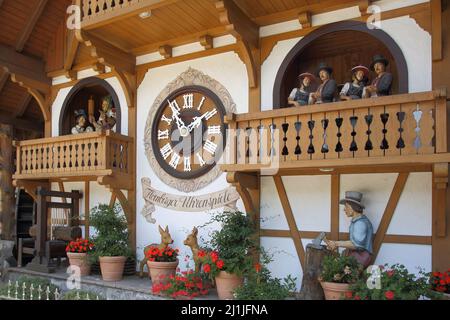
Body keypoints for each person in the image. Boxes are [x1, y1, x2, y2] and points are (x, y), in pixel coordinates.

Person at [323, 191, 374, 268]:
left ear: (352, 207)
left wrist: (336, 243)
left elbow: (357, 245)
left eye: (346, 206)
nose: (344, 209)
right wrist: (335, 244)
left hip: (360, 258)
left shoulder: (360, 223)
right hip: (356, 256)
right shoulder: (357, 221)